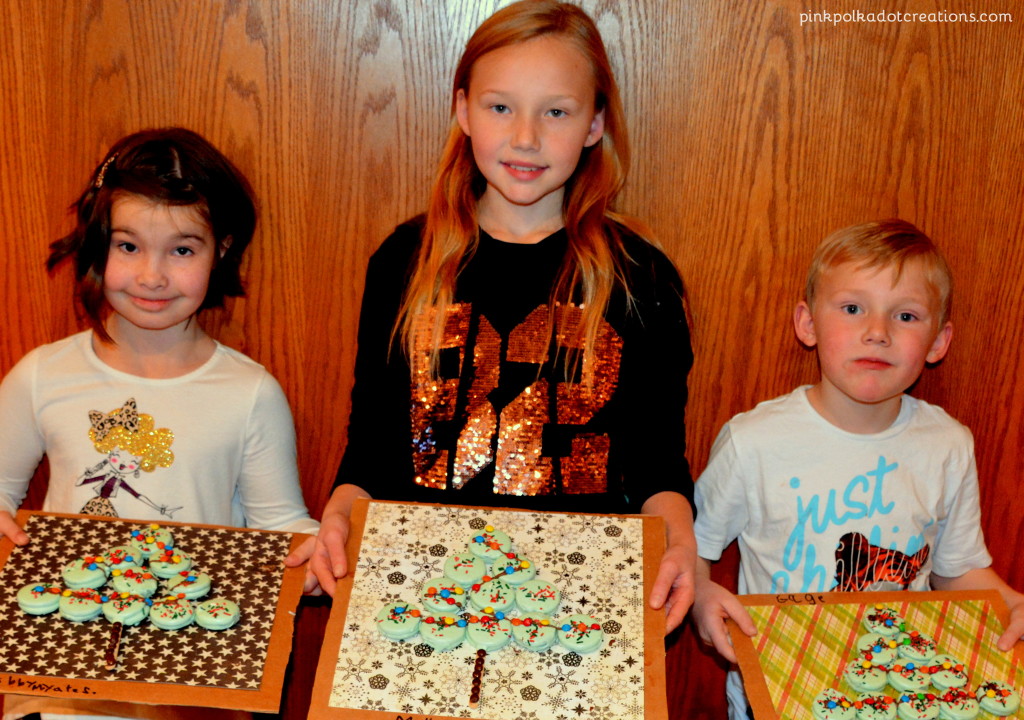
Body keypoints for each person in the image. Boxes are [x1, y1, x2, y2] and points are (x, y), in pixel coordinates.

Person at [310, 0, 697, 633]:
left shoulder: (639, 277)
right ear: (462, 109)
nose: (525, 137)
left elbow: (657, 462)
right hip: (419, 595)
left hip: (573, 604)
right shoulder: (404, 263)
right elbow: (373, 447)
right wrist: (339, 515)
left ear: (595, 123)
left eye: (556, 111)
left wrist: (680, 544)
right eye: (500, 107)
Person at [0, 127, 319, 720]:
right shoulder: (41, 376)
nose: (152, 275)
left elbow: (283, 530)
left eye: (181, 249)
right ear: (99, 244)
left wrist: (318, 559)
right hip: (61, 683)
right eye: (128, 246)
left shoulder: (250, 393)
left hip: (197, 681)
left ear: (221, 249)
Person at [691, 219, 1024, 719]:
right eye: (852, 308)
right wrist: (698, 596)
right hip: (779, 690)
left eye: (906, 316)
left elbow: (958, 572)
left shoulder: (947, 444)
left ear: (938, 342)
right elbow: (693, 550)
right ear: (808, 325)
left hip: (898, 691)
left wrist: (1009, 601)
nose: (877, 333)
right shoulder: (754, 441)